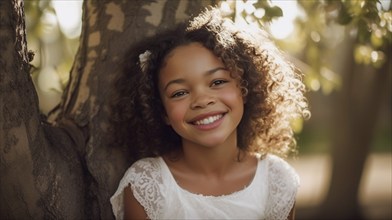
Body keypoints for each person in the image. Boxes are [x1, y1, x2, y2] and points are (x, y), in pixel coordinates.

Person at [110, 6, 309, 220]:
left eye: (218, 82)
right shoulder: (147, 186)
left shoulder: (275, 181)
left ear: (244, 89)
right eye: (179, 93)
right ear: (162, 111)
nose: (202, 100)